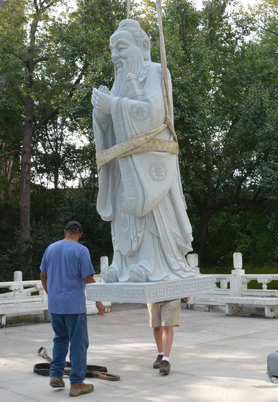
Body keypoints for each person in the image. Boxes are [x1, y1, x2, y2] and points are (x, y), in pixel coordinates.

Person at [91, 19, 197, 283]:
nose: (115, 55)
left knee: (149, 212)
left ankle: (151, 263)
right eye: (112, 50)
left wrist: (113, 104)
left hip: (149, 161)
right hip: (123, 163)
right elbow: (112, 127)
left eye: (121, 48)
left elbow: (153, 113)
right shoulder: (119, 82)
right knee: (123, 212)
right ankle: (122, 263)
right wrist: (102, 112)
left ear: (143, 46)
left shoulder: (156, 72)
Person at [40, 221, 106, 397]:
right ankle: (77, 383)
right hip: (74, 306)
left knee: (60, 339)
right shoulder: (81, 250)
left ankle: (56, 375)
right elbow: (88, 279)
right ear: (80, 234)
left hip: (55, 306)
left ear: (65, 232)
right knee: (78, 343)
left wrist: (51, 293)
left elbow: (43, 275)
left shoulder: (51, 248)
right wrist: (99, 302)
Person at [148, 297, 189, 375]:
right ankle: (161, 354)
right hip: (153, 295)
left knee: (167, 326)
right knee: (156, 326)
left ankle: (165, 360)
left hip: (172, 294)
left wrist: (185, 294)